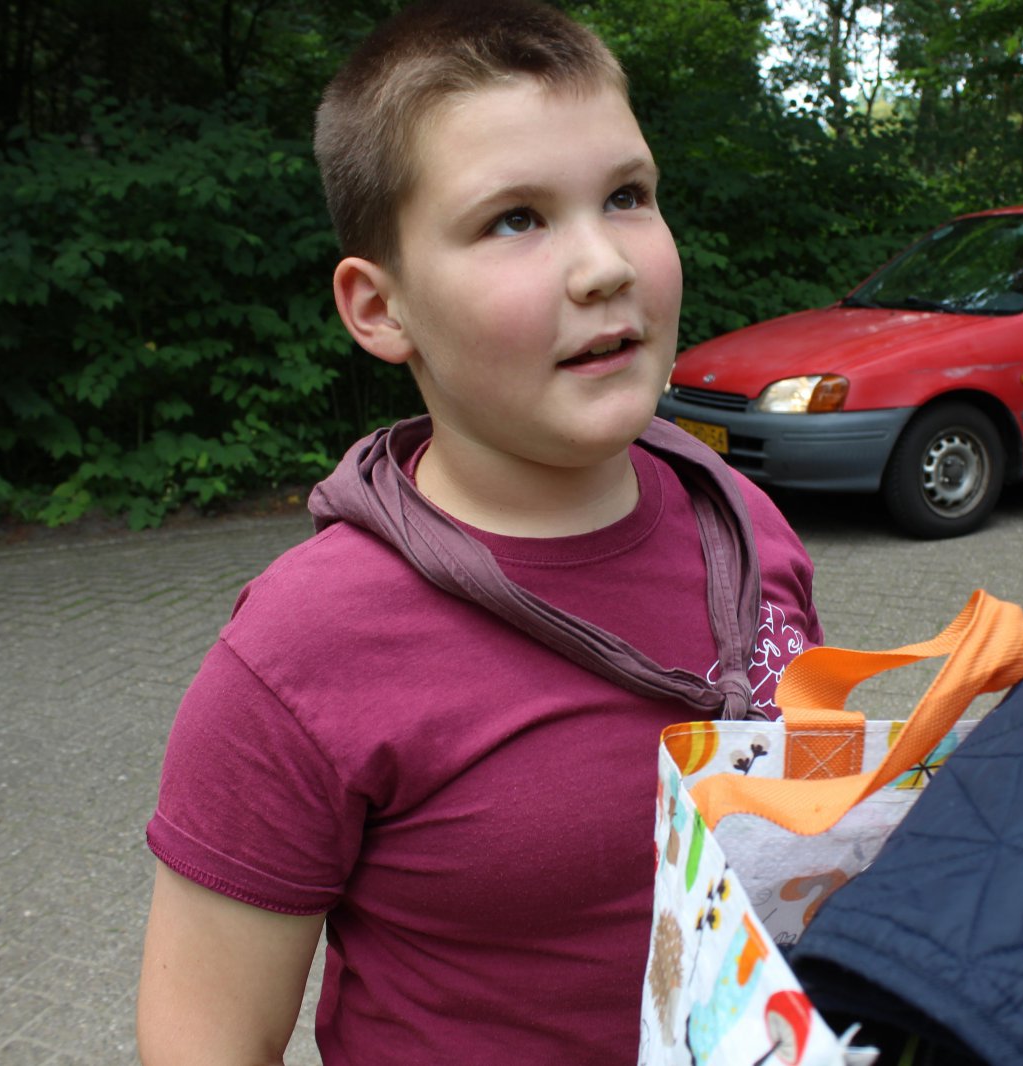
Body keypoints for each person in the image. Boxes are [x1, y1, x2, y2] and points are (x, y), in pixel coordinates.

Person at [133, 2, 823, 1062]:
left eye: (627, 196)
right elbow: (204, 1040)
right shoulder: (302, 651)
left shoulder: (746, 528)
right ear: (378, 308)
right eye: (514, 218)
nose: (603, 265)